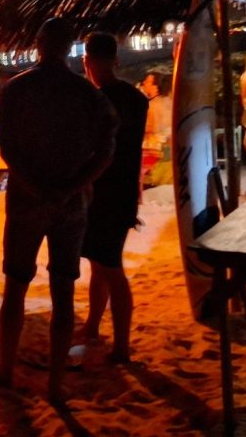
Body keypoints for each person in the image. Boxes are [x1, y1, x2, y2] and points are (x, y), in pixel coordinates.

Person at [0, 17, 117, 403]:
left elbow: (6, 146)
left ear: (39, 44)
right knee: (63, 290)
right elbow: (107, 150)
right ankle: (55, 384)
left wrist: (33, 184)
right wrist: (74, 186)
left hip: (28, 202)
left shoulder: (17, 89)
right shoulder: (88, 94)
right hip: (70, 205)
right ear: (69, 49)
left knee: (16, 285)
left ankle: (6, 369)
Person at [80, 32, 148, 363]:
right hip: (124, 191)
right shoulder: (137, 99)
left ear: (87, 62)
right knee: (101, 263)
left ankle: (121, 345)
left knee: (110, 267)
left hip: (101, 191)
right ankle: (93, 326)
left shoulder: (96, 101)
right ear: (117, 60)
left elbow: (90, 149)